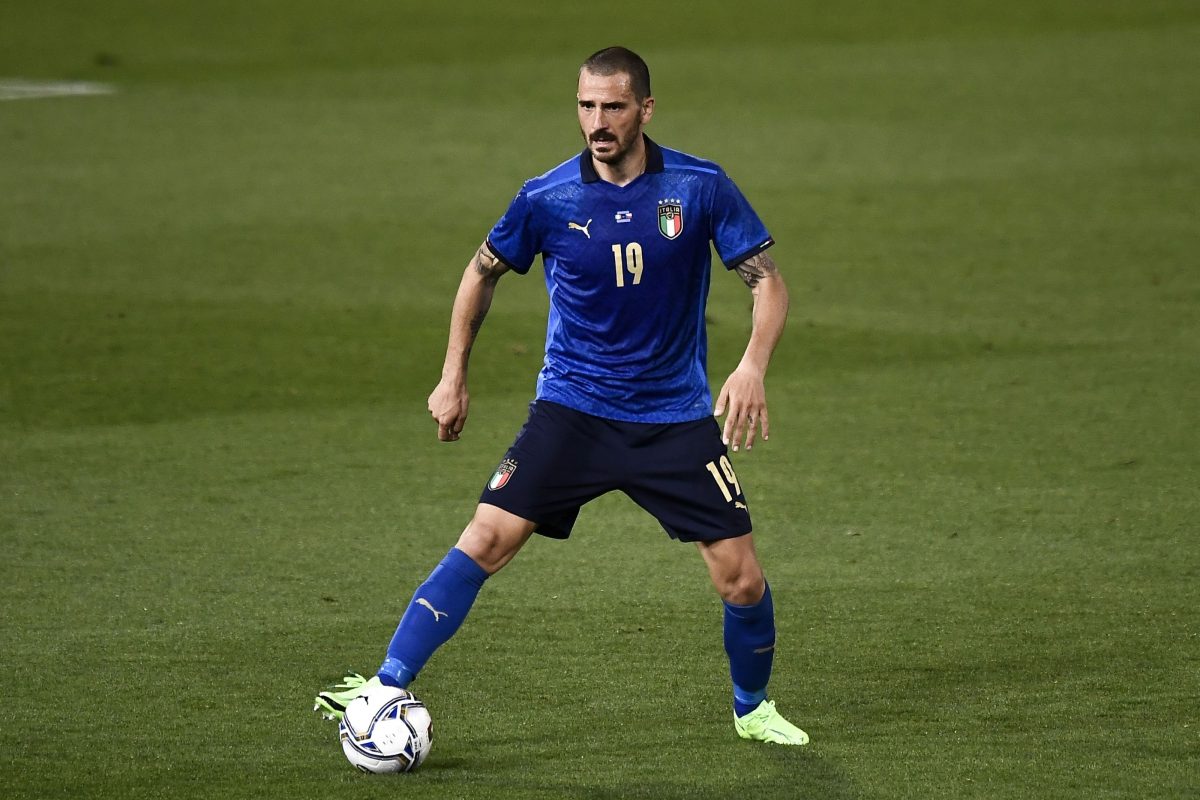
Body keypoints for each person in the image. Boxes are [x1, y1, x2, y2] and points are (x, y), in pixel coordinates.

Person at [315, 46, 808, 746]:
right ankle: (385, 685)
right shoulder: (547, 197)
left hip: (673, 420)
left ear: (645, 109)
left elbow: (767, 281)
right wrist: (453, 373)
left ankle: (752, 708)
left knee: (742, 580)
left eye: (613, 107)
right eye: (586, 106)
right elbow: (480, 272)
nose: (598, 122)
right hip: (572, 412)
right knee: (485, 538)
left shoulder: (699, 187)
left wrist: (753, 365)